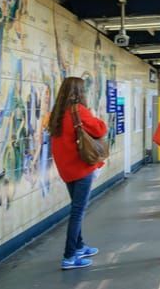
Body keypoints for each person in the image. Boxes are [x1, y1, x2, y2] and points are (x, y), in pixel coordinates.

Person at [49, 76, 108, 270]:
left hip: (66, 169)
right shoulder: (79, 110)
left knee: (76, 207)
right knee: (77, 212)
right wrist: (95, 116)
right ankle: (69, 256)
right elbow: (100, 129)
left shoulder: (56, 113)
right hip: (81, 168)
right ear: (79, 92)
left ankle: (79, 246)